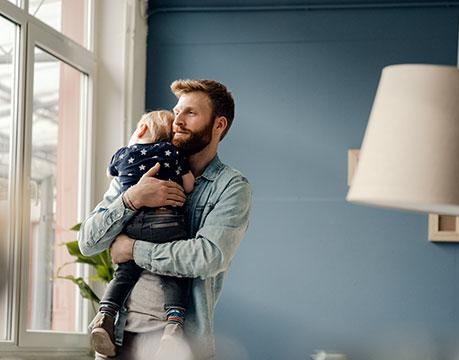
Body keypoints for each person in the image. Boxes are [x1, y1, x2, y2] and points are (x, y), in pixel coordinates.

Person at [78, 79, 252, 360]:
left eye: (191, 113)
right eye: (177, 111)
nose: (177, 121)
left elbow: (208, 256)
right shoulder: (138, 172)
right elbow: (87, 242)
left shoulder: (230, 186)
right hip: (116, 339)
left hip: (178, 345)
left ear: (219, 125)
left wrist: (133, 249)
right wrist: (132, 198)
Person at [90, 110, 195, 357]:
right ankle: (174, 325)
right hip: (167, 223)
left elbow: (112, 173)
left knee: (124, 273)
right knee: (172, 273)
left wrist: (132, 181)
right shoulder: (173, 153)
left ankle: (105, 315)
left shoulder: (123, 154)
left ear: (140, 130)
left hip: (135, 223)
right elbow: (189, 185)